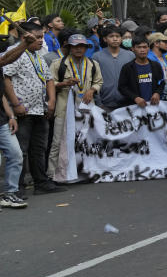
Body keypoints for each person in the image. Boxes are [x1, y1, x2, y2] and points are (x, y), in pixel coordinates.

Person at [2, 22, 64, 194]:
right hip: (23, 110)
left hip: (39, 109)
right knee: (20, 150)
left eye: (42, 37)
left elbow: (49, 78)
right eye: (37, 38)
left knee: (39, 148)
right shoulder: (15, 53)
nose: (41, 41)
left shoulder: (37, 55)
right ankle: (17, 187)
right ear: (25, 37)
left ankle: (41, 182)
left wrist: (51, 100)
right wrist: (16, 104)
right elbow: (5, 77)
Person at [48, 33, 103, 174]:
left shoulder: (93, 64)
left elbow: (99, 81)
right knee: (59, 141)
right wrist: (63, 83)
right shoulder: (58, 64)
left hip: (86, 107)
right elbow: (49, 84)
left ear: (86, 48)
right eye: (75, 46)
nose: (79, 49)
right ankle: (54, 174)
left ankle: (85, 171)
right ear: (69, 48)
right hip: (64, 108)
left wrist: (92, 90)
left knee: (86, 140)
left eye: (82, 46)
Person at [0, 28, 40, 205]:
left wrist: (10, 116)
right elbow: (6, 59)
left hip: (2, 120)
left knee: (15, 154)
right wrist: (25, 43)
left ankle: (10, 192)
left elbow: (0, 94)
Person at [92, 25, 135, 110]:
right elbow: (94, 80)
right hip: (105, 104)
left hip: (127, 103)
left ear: (121, 38)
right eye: (111, 36)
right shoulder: (97, 57)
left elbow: (134, 79)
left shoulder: (130, 55)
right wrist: (99, 103)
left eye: (118, 36)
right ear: (105, 39)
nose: (115, 39)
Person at [118, 36, 164, 107]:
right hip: (135, 107)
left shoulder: (156, 66)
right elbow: (122, 87)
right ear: (133, 49)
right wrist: (135, 98)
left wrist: (157, 93)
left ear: (148, 48)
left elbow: (161, 82)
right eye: (139, 47)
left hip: (154, 106)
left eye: (145, 47)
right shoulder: (127, 68)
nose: (142, 50)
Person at [147, 32, 167, 101]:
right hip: (156, 98)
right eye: (165, 42)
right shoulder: (148, 59)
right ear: (156, 43)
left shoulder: (163, 57)